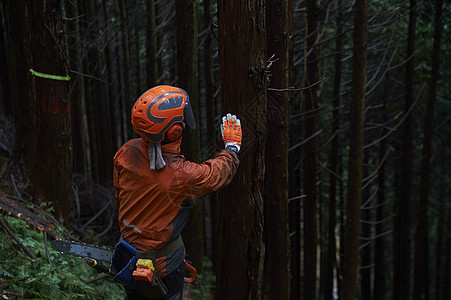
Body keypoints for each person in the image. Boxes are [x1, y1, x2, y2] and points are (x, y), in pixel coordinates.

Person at [113, 85, 241, 300]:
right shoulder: (179, 174)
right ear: (174, 131)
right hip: (163, 265)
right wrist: (231, 148)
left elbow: (119, 193)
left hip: (128, 254)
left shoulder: (126, 151)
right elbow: (214, 174)